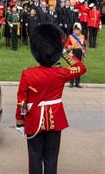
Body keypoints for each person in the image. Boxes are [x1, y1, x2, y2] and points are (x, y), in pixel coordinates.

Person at [16, 23, 87, 174]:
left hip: (34, 120)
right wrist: (63, 52)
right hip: (56, 119)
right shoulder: (60, 73)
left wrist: (20, 121)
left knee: (35, 157)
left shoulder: (28, 74)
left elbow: (21, 101)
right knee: (51, 158)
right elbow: (81, 68)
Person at [65, 23, 86, 88]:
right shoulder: (70, 36)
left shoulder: (82, 37)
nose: (76, 31)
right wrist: (69, 46)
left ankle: (77, 83)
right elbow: (66, 45)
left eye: (77, 30)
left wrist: (84, 52)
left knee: (79, 67)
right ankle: (71, 83)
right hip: (73, 52)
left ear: (80, 30)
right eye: (75, 30)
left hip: (79, 52)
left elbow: (84, 46)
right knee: (72, 67)